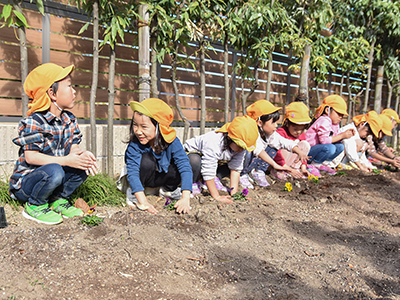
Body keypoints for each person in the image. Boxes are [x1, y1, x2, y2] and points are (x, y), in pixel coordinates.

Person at [9, 63, 98, 225]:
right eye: (69, 86)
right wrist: (66, 161)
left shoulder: (69, 119)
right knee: (55, 170)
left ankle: (57, 199)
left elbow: (74, 149)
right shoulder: (34, 122)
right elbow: (31, 157)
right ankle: (35, 205)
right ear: (52, 93)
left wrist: (81, 155)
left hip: (54, 176)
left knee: (83, 165)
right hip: (27, 185)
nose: (74, 90)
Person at [124, 98, 193, 215]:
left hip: (163, 177)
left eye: (144, 127)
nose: (138, 131)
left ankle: (167, 190)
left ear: (159, 128)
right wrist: (143, 201)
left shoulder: (172, 142)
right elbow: (133, 173)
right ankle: (134, 194)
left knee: (182, 162)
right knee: (146, 161)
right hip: (145, 179)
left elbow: (185, 167)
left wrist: (186, 197)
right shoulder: (135, 145)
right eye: (135, 125)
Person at [184, 115, 258, 203]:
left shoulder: (238, 148)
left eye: (243, 147)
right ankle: (193, 182)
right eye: (240, 146)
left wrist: (234, 193)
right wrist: (217, 196)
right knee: (195, 160)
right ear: (229, 138)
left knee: (244, 158)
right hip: (190, 162)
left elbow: (235, 169)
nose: (241, 149)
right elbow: (208, 170)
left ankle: (208, 181)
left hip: (212, 163)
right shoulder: (214, 141)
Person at [239, 100, 309, 188]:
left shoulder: (269, 134)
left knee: (274, 147)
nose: (276, 125)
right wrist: (274, 164)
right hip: (242, 164)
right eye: (273, 122)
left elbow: (284, 142)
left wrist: (299, 152)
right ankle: (242, 175)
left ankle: (258, 172)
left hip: (252, 163)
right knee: (247, 151)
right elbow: (259, 151)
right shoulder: (252, 133)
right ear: (260, 123)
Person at [306, 95, 355, 175]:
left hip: (318, 150)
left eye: (342, 115)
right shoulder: (324, 120)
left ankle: (324, 163)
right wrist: (342, 135)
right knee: (330, 148)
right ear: (327, 110)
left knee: (340, 146)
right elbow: (324, 141)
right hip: (308, 153)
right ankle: (313, 165)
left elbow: (334, 138)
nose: (341, 117)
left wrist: (345, 134)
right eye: (338, 113)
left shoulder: (334, 123)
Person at [271, 101, 312, 180]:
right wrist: (285, 168)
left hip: (290, 164)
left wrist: (303, 168)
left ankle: (296, 169)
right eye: (295, 129)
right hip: (278, 164)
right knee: (291, 144)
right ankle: (278, 170)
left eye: (302, 129)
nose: (298, 132)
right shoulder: (280, 133)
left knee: (305, 144)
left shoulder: (301, 134)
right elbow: (276, 154)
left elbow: (303, 154)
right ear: (287, 123)